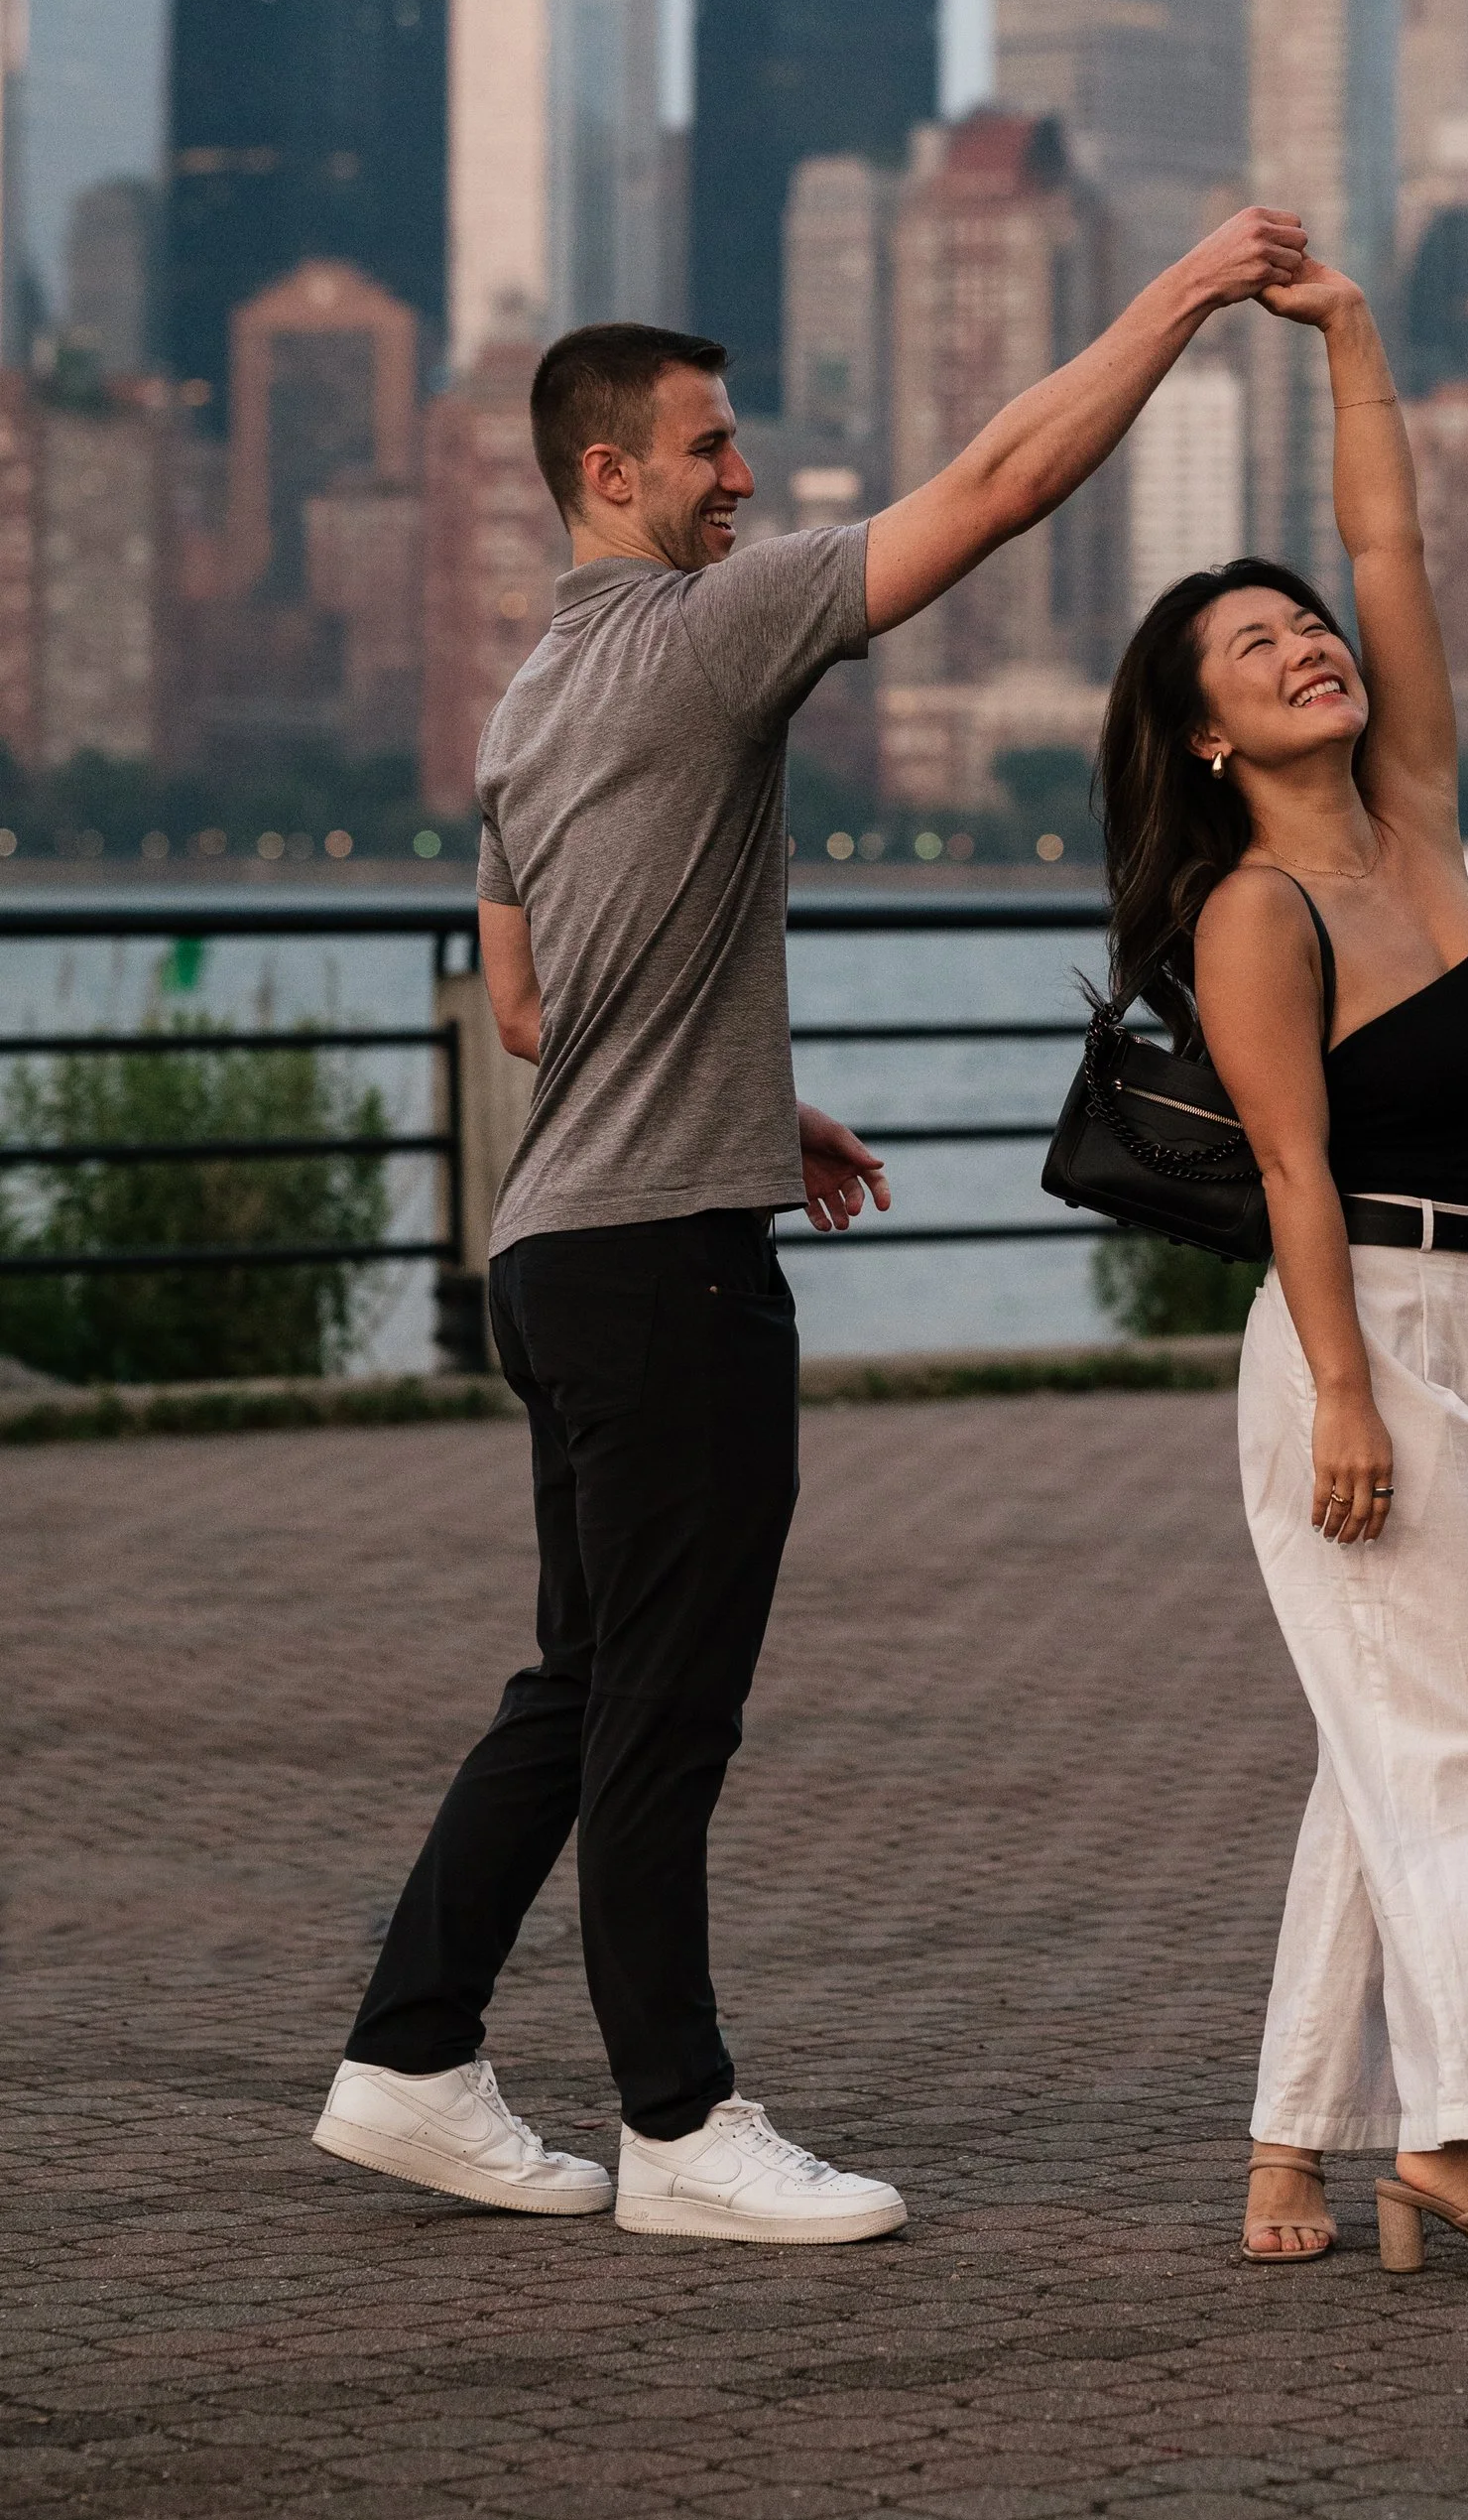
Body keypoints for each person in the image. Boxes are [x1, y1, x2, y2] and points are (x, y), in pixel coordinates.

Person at [314, 204, 1306, 2245]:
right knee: (656, 1709)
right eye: (706, 445)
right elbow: (1007, 481)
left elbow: (523, 1002)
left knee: (579, 1687)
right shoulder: (705, 631)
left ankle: (411, 2058)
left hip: (554, 1252)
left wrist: (749, 1090)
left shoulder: (521, 707)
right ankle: (678, 2127)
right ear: (608, 469)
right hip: (664, 1262)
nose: (738, 473)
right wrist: (1184, 292)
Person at [1096, 258, 1468, 2275]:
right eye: (1251, 642)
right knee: (1463, 1740)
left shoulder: (1416, 814)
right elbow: (1293, 1176)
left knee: (1387, 1744)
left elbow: (1387, 536)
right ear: (1200, 729)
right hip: (1364, 1327)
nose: (1306, 643)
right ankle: (1455, 2138)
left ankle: (1291, 2140)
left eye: (1301, 622)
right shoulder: (1249, 911)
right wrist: (1336, 1397)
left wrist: (1352, 341)